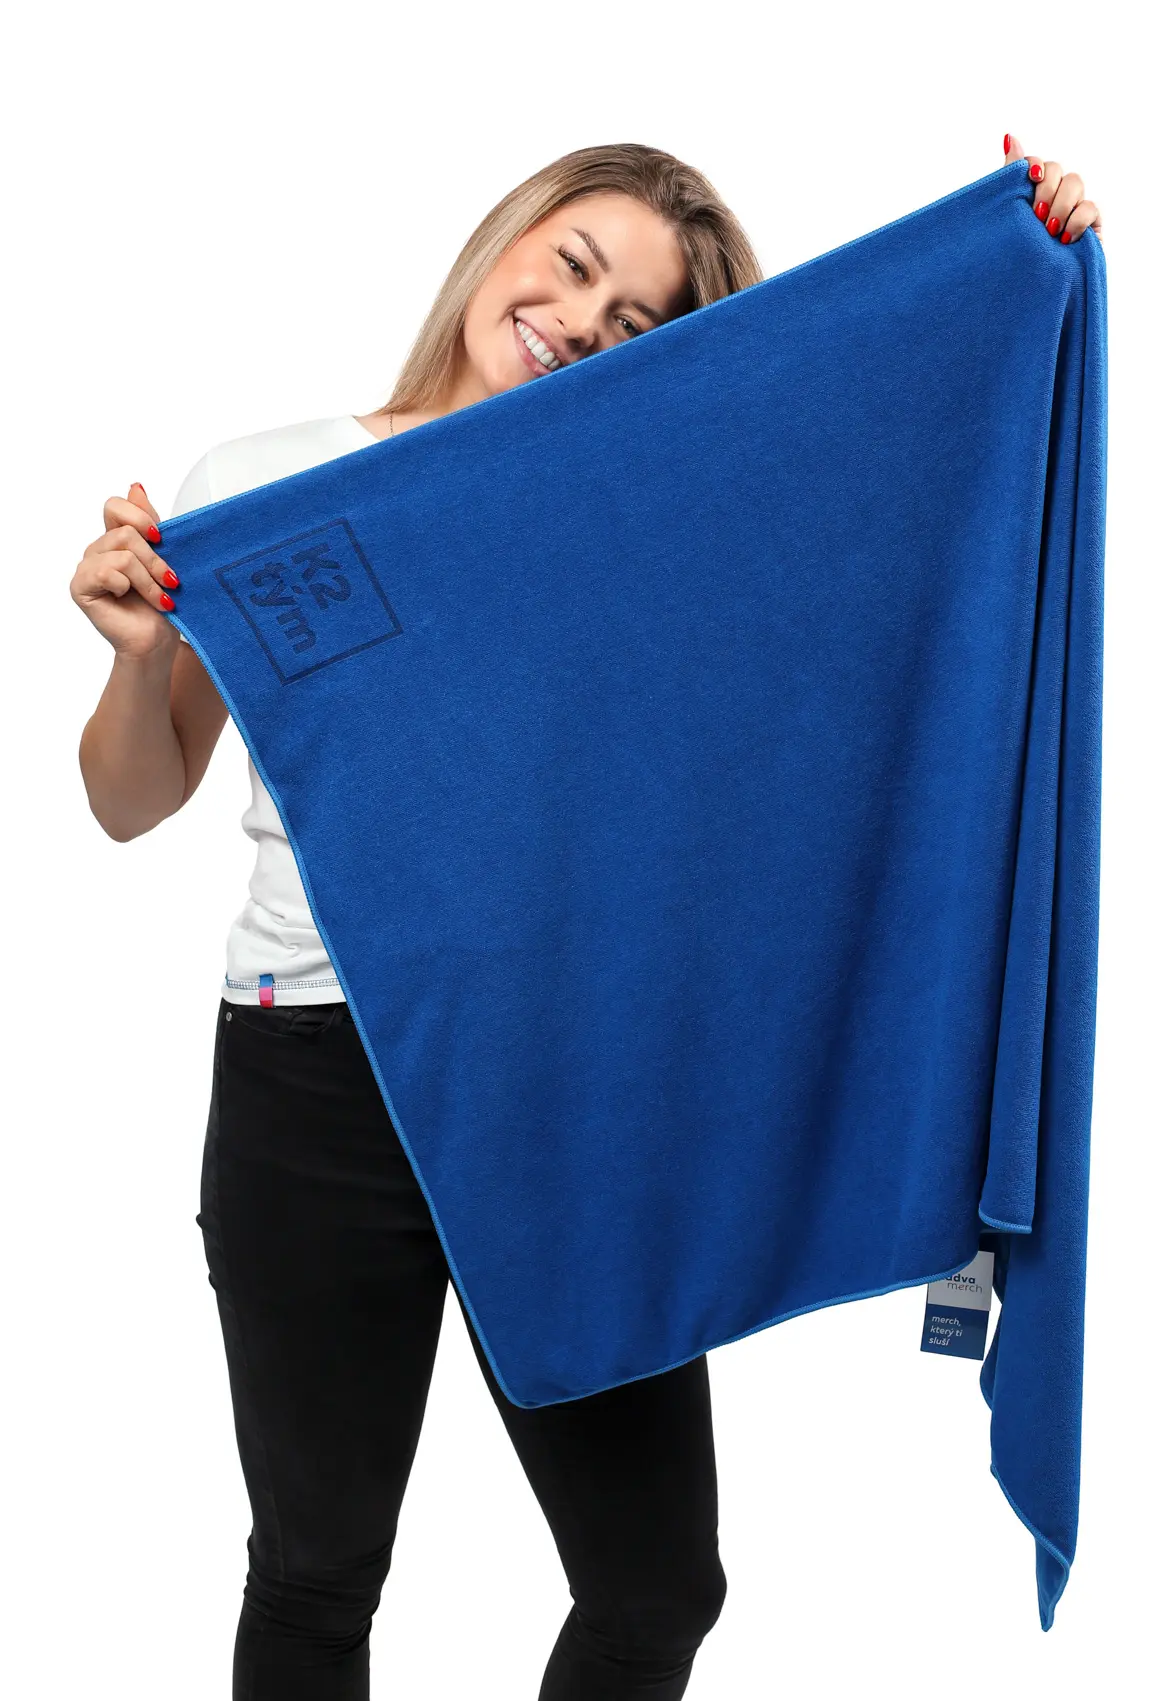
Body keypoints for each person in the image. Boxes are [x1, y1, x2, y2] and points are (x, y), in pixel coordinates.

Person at [71, 137, 1102, 1700]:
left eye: (634, 322)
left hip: (563, 1095)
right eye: (571, 264)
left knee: (655, 1587)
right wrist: (141, 656)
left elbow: (869, 493)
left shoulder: (651, 542)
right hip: (308, 1089)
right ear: (508, 238)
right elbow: (131, 800)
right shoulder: (271, 483)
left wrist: (1009, 267)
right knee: (316, 1575)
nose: (577, 319)